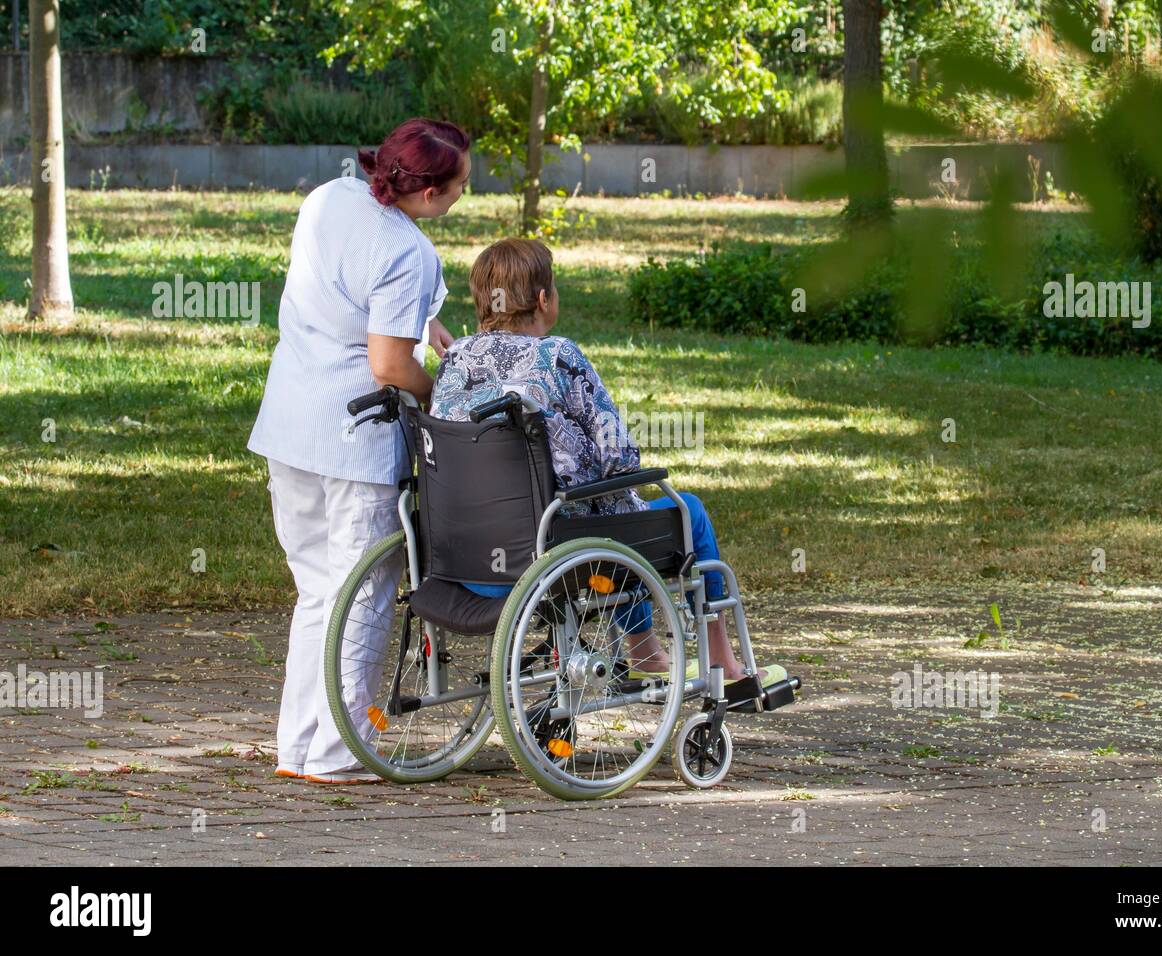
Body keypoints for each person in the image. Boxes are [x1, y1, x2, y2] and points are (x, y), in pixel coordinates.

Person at [429, 238, 786, 685]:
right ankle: (724, 664)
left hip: (467, 557)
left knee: (614, 512)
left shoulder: (453, 360)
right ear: (543, 299)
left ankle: (647, 652)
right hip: (550, 550)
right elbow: (618, 456)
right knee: (679, 510)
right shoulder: (559, 355)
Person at [247, 118, 471, 784]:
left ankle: (300, 748)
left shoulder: (330, 198)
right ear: (428, 194)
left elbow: (360, 290)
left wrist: (427, 323)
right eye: (460, 185)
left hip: (289, 423)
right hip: (356, 442)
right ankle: (342, 752)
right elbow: (388, 363)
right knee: (364, 594)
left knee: (318, 593)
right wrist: (436, 391)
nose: (463, 195)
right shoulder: (409, 250)